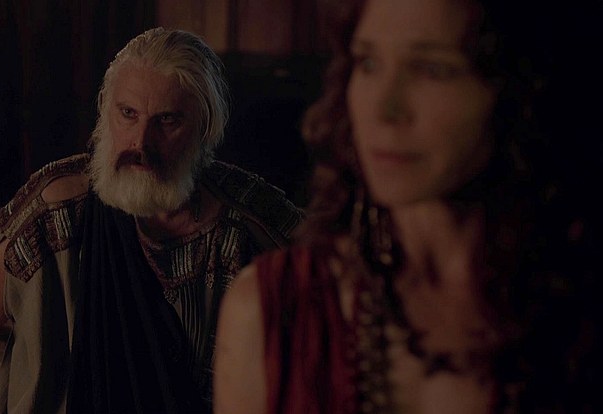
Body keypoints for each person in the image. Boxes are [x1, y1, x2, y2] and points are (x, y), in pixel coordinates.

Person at [213, 0, 603, 413]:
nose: (384, 109)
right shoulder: (276, 310)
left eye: (432, 69)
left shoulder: (579, 307)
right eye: (368, 63)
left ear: (518, 88)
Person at [0, 27, 304, 414]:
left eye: (167, 120)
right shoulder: (54, 213)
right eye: (128, 114)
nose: (141, 142)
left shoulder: (246, 223)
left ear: (204, 129)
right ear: (106, 116)